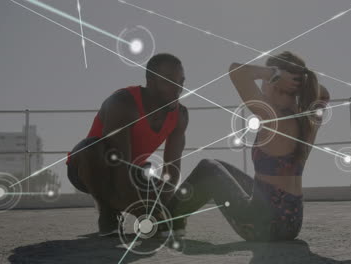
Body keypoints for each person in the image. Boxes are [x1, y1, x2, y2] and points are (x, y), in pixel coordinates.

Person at [166, 51, 330, 241]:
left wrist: (273, 73)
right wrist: (300, 80)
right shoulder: (308, 120)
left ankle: (164, 222)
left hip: (264, 226)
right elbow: (324, 93)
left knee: (208, 168)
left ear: (275, 82)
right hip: (292, 223)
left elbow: (236, 71)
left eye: (266, 78)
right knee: (221, 167)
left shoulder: (273, 117)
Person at [66, 53, 189, 237]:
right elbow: (119, 168)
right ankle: (108, 214)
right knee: (92, 147)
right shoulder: (123, 103)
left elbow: (171, 173)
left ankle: (117, 207)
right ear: (150, 80)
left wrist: (164, 204)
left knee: (170, 202)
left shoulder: (180, 115)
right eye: (169, 81)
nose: (178, 88)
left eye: (181, 81)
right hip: (88, 168)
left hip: (133, 171)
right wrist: (147, 214)